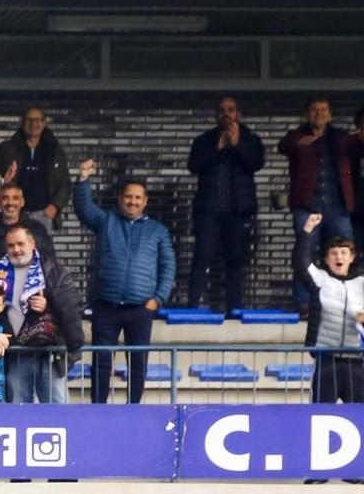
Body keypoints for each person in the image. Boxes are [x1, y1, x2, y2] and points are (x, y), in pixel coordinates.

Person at [73, 161, 174, 405]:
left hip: (140, 308)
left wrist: (157, 299)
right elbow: (84, 209)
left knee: (138, 362)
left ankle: (134, 409)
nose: (133, 201)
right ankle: (99, 409)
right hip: (106, 306)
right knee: (101, 361)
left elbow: (168, 267)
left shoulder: (157, 230)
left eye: (138, 198)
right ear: (120, 199)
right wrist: (83, 179)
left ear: (145, 201)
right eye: (128, 197)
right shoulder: (106, 221)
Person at [0, 224, 83, 404]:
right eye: (11, 245)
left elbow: (71, 308)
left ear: (32, 244)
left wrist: (48, 306)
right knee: (17, 408)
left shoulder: (54, 271)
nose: (16, 249)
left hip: (50, 354)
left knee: (57, 409)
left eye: (20, 244)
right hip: (16, 352)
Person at [186, 98, 265, 312]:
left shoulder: (250, 138)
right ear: (215, 115)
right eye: (221, 111)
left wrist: (237, 144)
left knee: (235, 261)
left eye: (230, 110)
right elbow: (193, 165)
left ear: (238, 113)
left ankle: (234, 309)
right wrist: (218, 147)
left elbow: (256, 163)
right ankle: (193, 307)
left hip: (238, 212)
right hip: (208, 211)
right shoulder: (204, 140)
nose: (226, 114)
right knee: (202, 257)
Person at [283, 99, 357, 308]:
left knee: (344, 253)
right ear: (307, 114)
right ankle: (303, 303)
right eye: (314, 110)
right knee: (305, 252)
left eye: (323, 110)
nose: (319, 114)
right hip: (308, 206)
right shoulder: (297, 135)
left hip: (338, 206)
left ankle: (345, 302)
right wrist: (302, 141)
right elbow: (284, 146)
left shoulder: (340, 137)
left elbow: (355, 144)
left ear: (330, 115)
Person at [294, 215, 363, 405]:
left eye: (343, 252)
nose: (339, 257)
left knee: (359, 416)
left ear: (352, 257)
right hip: (327, 359)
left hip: (356, 361)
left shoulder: (362, 283)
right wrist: (307, 231)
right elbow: (300, 263)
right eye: (334, 253)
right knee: (320, 413)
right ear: (326, 259)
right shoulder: (320, 279)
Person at [0, 107, 68, 226]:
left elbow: (64, 181)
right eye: (29, 120)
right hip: (13, 212)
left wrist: (55, 206)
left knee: (41, 245)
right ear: (22, 123)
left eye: (37, 120)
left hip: (44, 214)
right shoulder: (6, 149)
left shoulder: (54, 150)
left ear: (44, 123)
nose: (33, 123)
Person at [0, 182, 54, 272]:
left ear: (22, 202)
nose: (10, 203)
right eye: (5, 198)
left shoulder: (38, 230)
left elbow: (50, 263)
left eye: (15, 198)